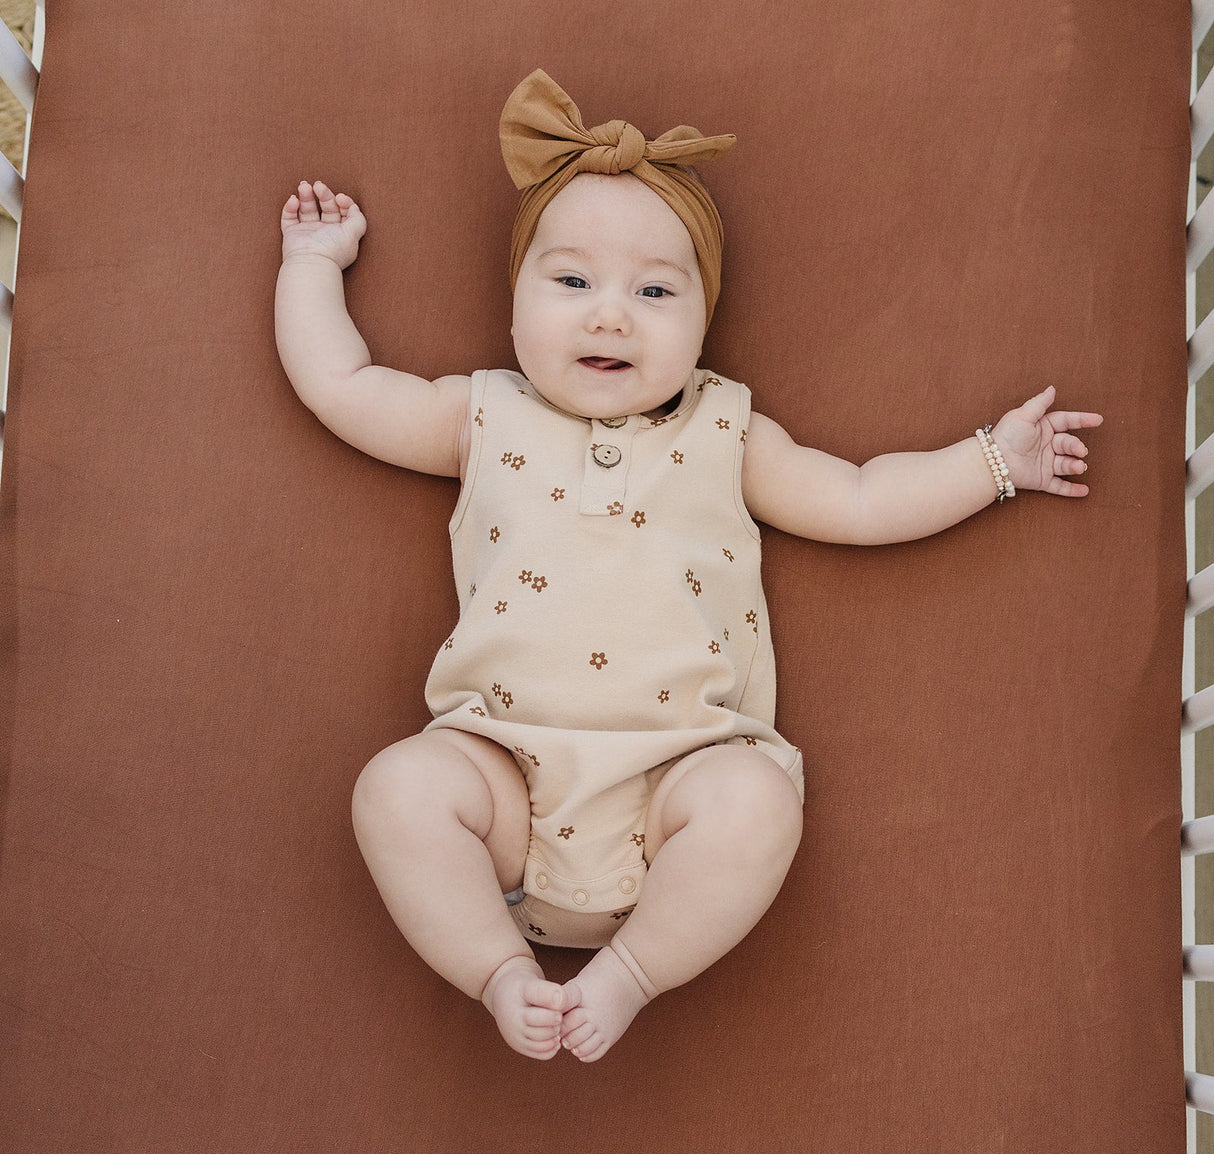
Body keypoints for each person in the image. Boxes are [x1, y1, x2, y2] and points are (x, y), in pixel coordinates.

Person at [275, 69, 1101, 1063]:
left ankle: (629, 972)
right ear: (513, 307)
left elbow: (858, 497)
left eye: (654, 290)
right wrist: (313, 266)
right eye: (570, 281)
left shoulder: (726, 428)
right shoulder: (480, 414)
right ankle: (499, 969)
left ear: (703, 320)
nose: (609, 315)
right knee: (395, 788)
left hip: (676, 781)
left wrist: (990, 462)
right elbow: (341, 384)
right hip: (501, 776)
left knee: (758, 801)